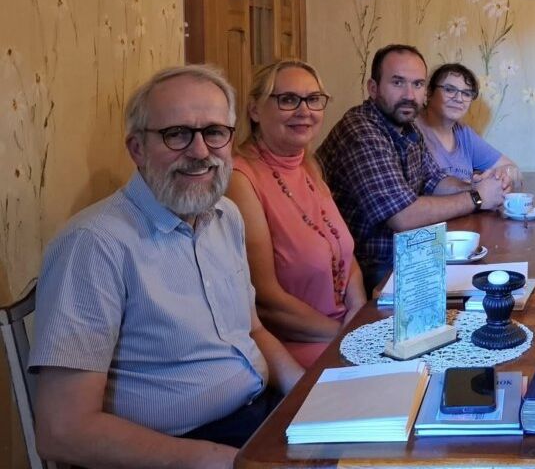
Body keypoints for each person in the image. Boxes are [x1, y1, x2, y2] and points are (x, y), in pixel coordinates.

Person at [31, 65, 303, 468]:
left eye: (215, 132)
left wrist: (310, 394)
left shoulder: (225, 215)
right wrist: (226, 462)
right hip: (180, 452)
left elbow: (252, 330)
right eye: (176, 134)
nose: (200, 152)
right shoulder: (93, 245)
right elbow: (63, 432)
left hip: (258, 420)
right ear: (137, 148)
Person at [318, 44, 506, 289]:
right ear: (373, 88)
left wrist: (474, 186)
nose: (409, 95)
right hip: (370, 269)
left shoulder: (408, 127)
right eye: (398, 83)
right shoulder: (361, 130)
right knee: (486, 283)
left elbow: (434, 180)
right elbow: (402, 216)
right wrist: (477, 198)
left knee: (498, 269)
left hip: (409, 253)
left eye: (417, 84)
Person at [227, 60, 368, 368]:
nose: (305, 111)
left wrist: (359, 315)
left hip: (345, 333)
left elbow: (344, 253)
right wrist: (344, 336)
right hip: (298, 346)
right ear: (254, 110)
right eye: (288, 99)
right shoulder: (240, 179)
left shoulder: (307, 164)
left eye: (313, 99)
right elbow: (266, 301)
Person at [416, 62, 520, 186]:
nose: (459, 99)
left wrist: (501, 175)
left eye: (466, 93)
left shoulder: (464, 133)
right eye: (449, 89)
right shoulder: (412, 131)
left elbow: (513, 169)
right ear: (429, 93)